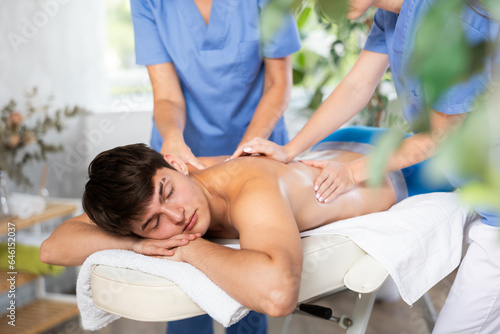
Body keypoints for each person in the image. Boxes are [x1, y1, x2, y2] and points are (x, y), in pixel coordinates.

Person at [231, 0, 500, 332]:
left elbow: (441, 134)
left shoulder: (449, 20)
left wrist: (353, 172)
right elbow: (357, 86)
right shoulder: (393, 15)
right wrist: (289, 150)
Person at [40, 127, 453, 320]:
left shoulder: (249, 185)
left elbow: (277, 296)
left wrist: (186, 248)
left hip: (404, 165)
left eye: (168, 192)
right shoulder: (155, 205)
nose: (177, 216)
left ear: (175, 163)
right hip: (331, 150)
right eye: (153, 224)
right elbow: (52, 247)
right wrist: (134, 246)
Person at [130, 0, 300, 331]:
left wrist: (251, 149)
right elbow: (166, 95)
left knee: (247, 283)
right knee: (184, 293)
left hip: (255, 146)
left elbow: (279, 82)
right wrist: (173, 137)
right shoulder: (149, 3)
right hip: (182, 160)